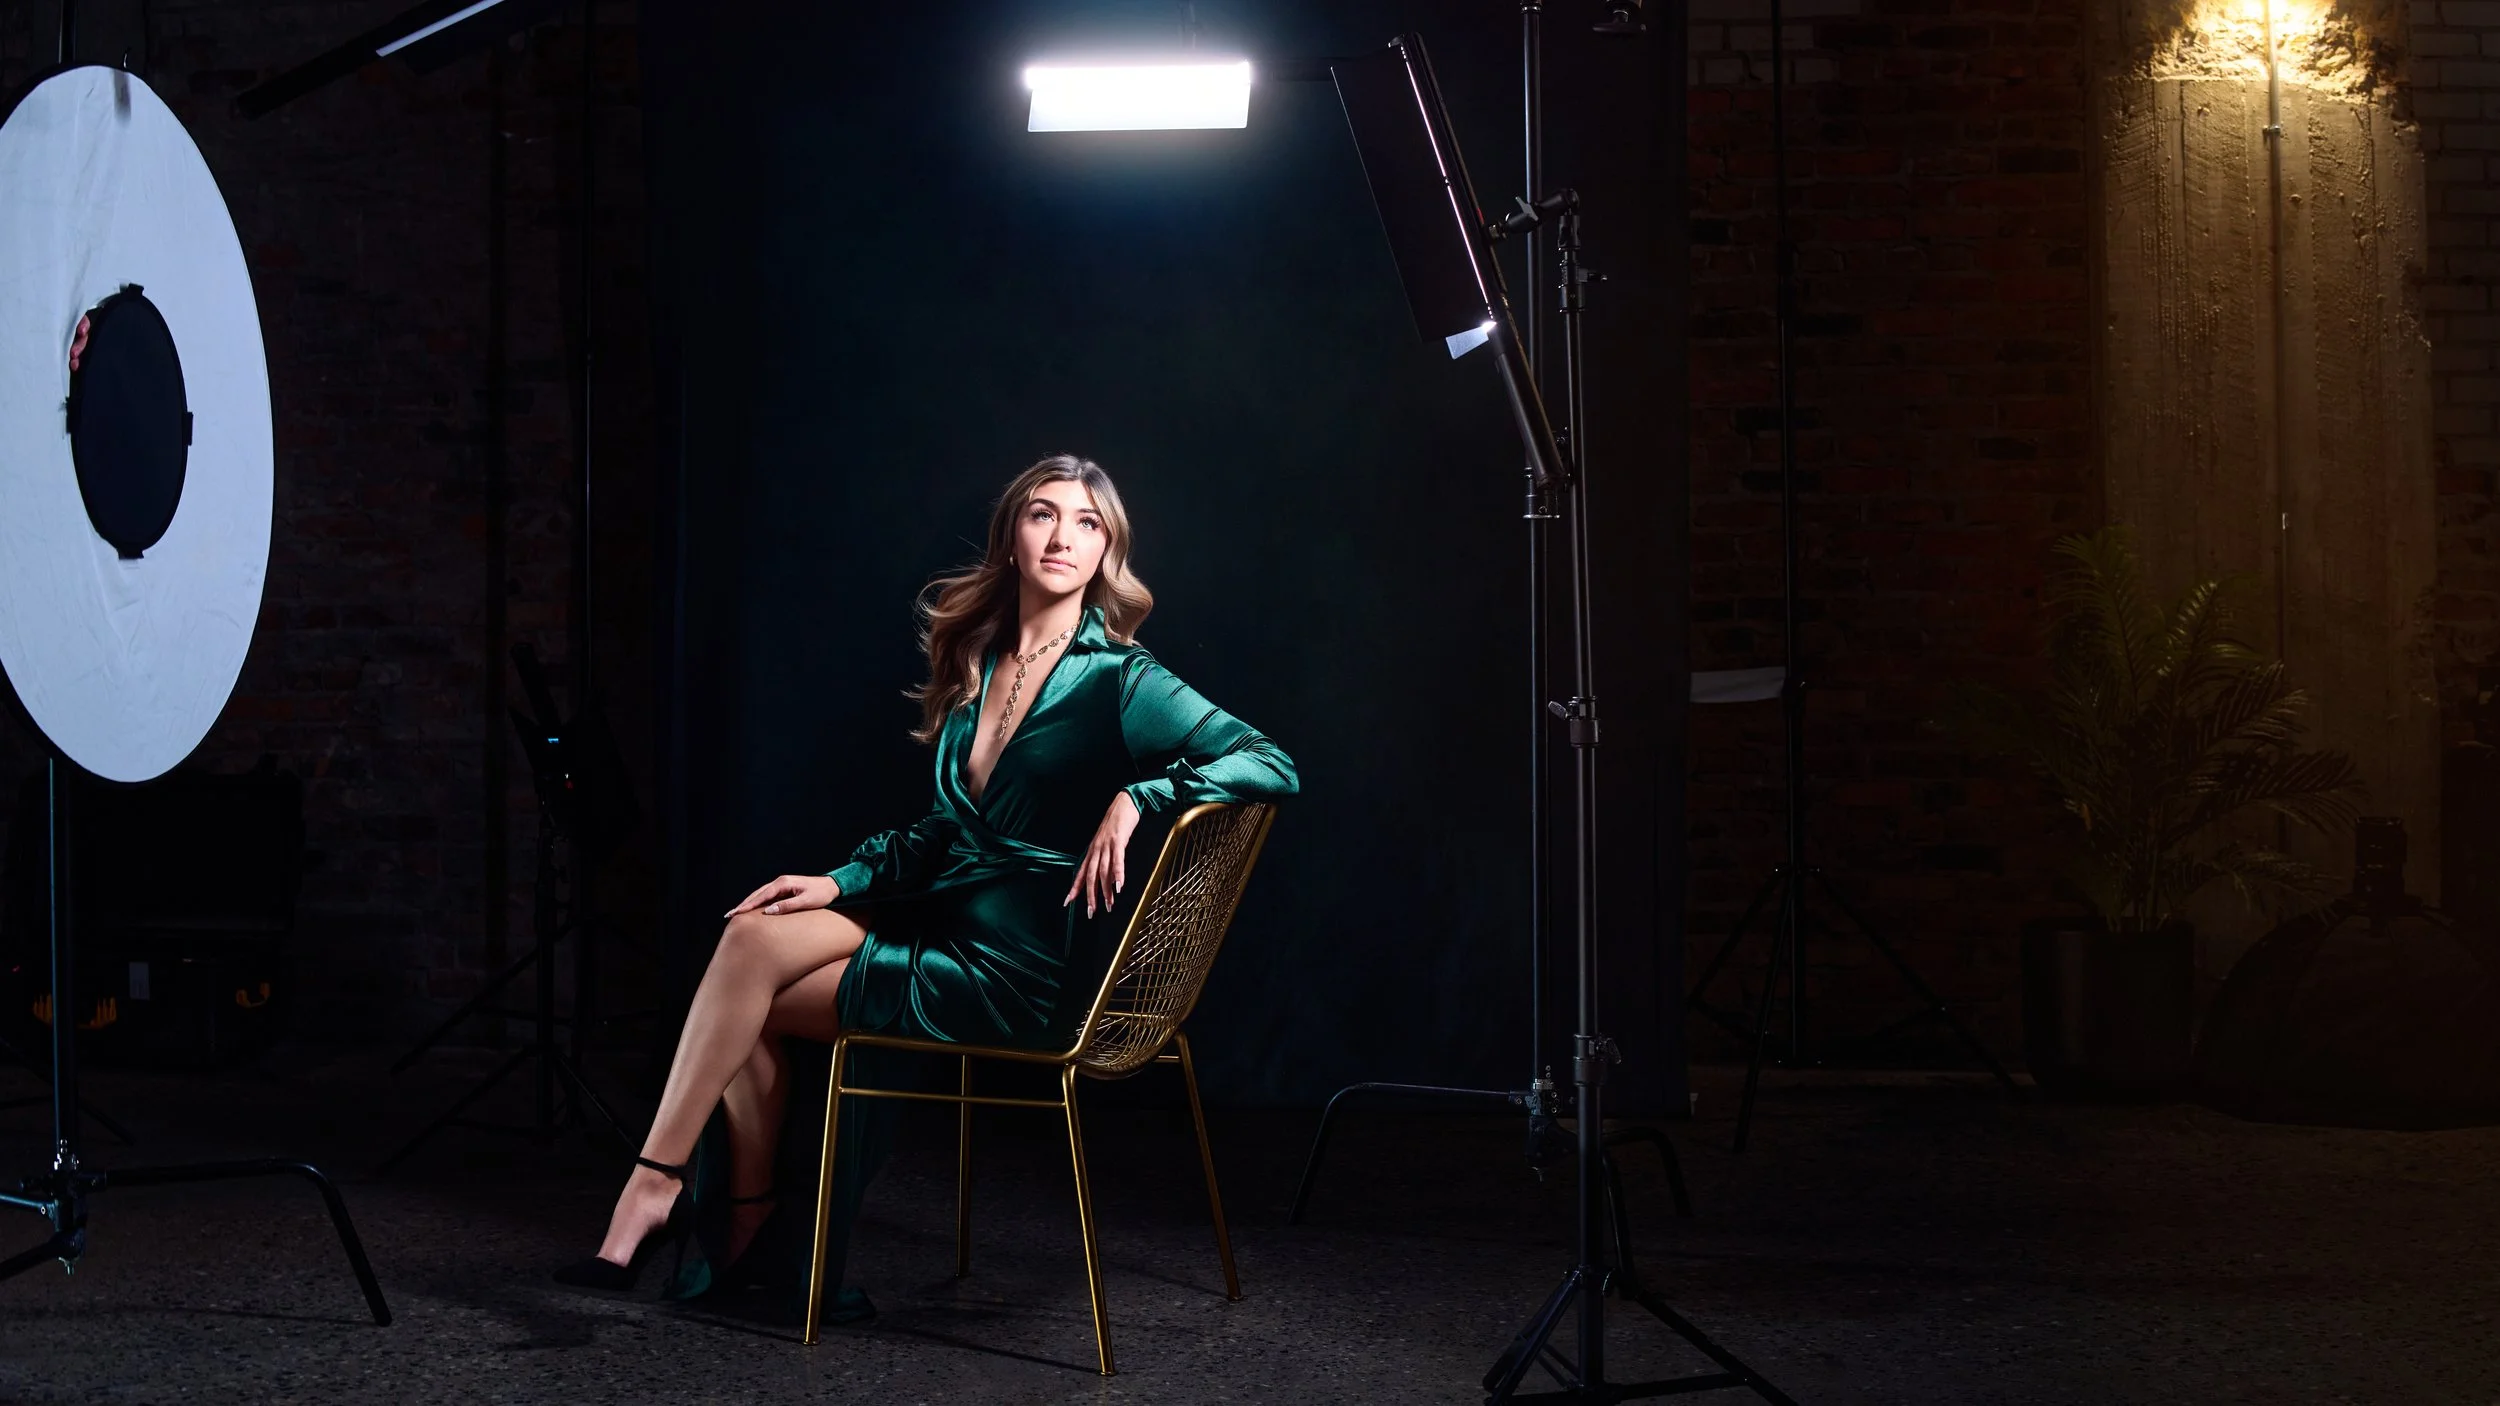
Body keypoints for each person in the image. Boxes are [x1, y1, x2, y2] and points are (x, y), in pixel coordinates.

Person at [556, 454, 1298, 1315]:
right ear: (1011, 538)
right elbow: (943, 835)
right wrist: (836, 881)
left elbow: (1270, 762)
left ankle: (669, 1197)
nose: (1063, 535)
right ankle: (718, 1216)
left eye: (1088, 523)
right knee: (752, 939)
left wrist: (1144, 795)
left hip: (1025, 970)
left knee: (743, 995)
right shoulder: (977, 660)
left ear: (1108, 551)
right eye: (1043, 515)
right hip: (944, 922)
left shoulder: (1123, 680)